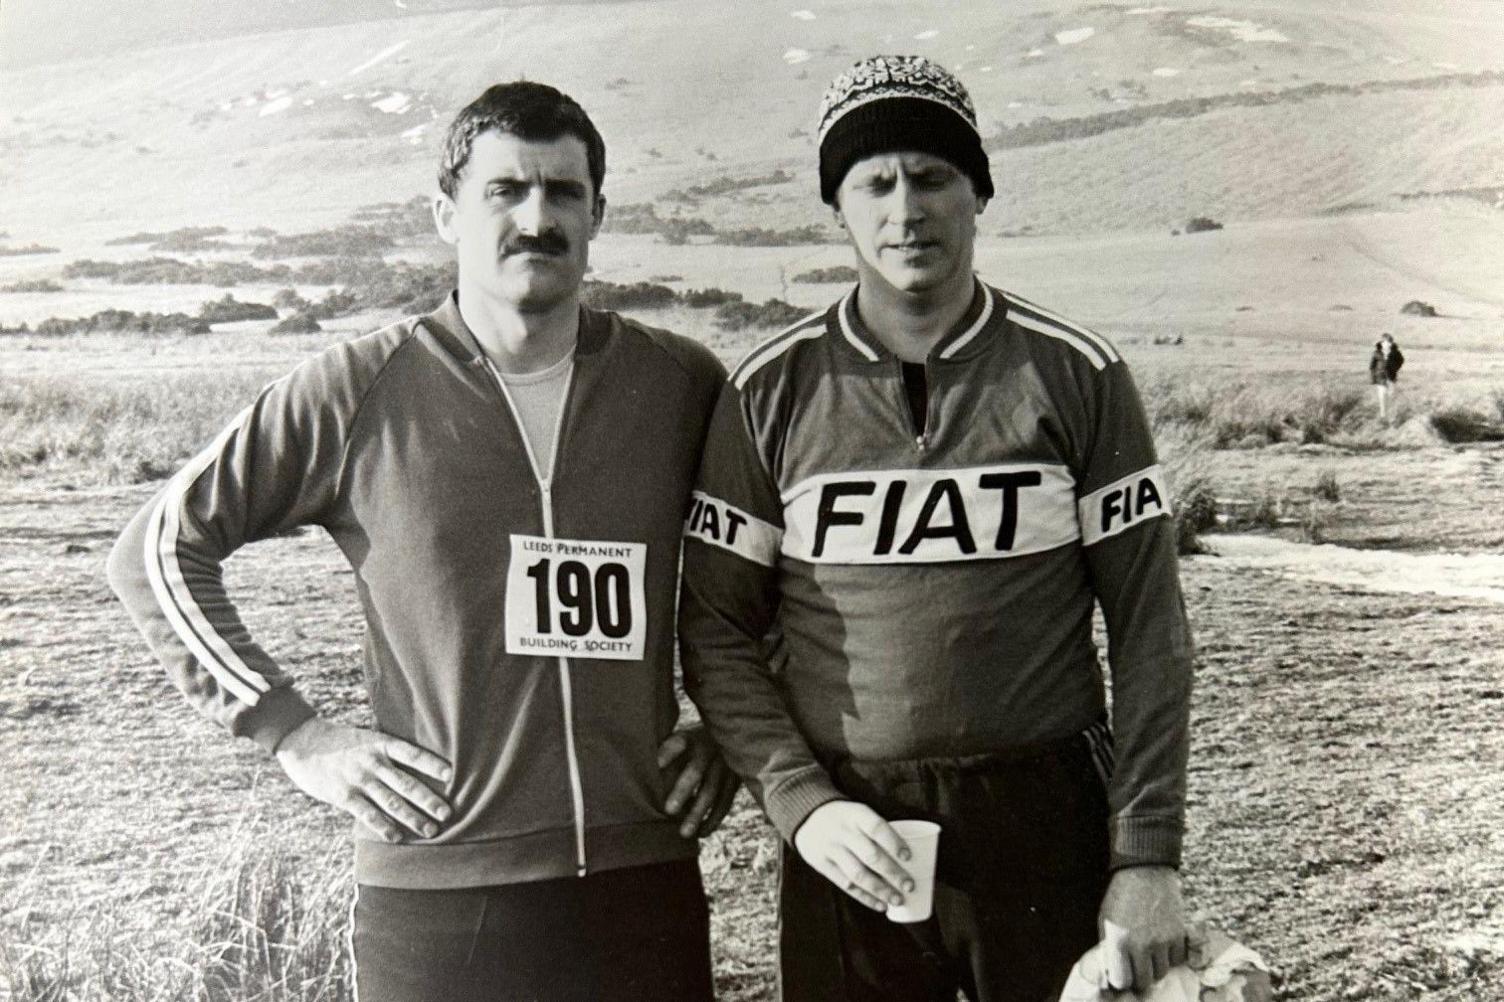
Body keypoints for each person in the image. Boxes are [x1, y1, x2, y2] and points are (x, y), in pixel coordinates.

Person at [108, 81, 736, 1002]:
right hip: (440, 895)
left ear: (598, 212)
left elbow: (771, 574)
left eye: (565, 192)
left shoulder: (680, 382)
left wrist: (729, 729)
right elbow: (155, 552)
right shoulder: (360, 387)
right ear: (446, 212)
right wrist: (295, 734)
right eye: (505, 191)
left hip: (643, 879)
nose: (537, 216)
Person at [680, 55, 1194, 1002]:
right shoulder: (770, 390)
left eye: (932, 177)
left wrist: (1147, 855)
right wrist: (801, 803)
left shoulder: (1078, 374)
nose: (905, 209)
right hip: (852, 822)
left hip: (1046, 812)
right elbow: (714, 629)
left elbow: (1151, 627)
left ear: (979, 193)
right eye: (874, 183)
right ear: (838, 207)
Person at [1369, 332, 1404, 421]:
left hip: (1391, 377)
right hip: (1380, 378)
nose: (1388, 344)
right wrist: (1373, 378)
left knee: (1392, 395)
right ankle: (1383, 416)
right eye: (1386, 342)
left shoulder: (1395, 352)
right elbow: (1372, 366)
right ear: (1382, 342)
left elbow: (1401, 360)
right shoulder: (1377, 353)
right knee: (1382, 396)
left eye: (1390, 342)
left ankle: (1393, 417)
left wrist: (1395, 368)